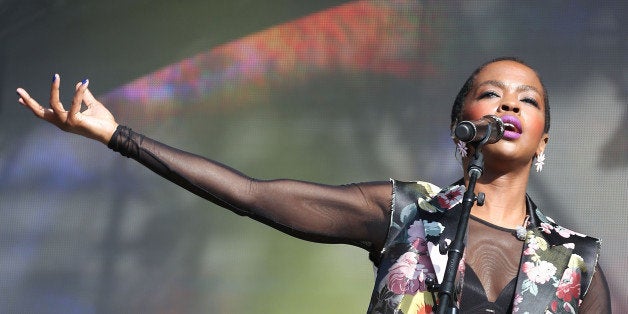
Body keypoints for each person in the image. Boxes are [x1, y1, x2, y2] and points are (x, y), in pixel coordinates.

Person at [16, 57, 611, 313]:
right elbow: (252, 195)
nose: (508, 102)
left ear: (544, 140)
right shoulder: (408, 212)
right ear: (463, 127)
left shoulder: (575, 265)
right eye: (491, 93)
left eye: (527, 100)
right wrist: (120, 135)